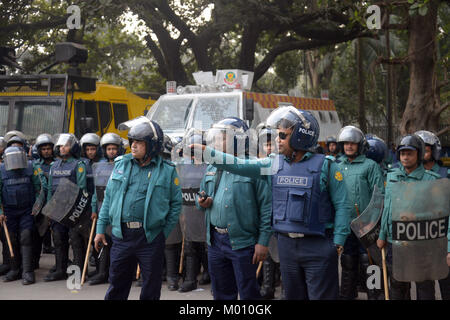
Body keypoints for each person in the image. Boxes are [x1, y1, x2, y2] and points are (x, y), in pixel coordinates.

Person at [192, 107, 352, 300]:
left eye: (282, 136)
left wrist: (337, 244)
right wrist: (209, 153)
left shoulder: (326, 166)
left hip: (318, 245)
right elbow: (239, 165)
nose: (277, 140)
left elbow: (343, 206)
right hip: (286, 246)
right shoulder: (273, 163)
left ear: (300, 137)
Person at [94, 121, 182, 300]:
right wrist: (100, 229)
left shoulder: (168, 171)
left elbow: (175, 206)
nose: (133, 145)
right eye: (132, 141)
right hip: (121, 236)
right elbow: (108, 198)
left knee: (151, 287)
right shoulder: (120, 165)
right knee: (117, 285)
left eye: (139, 142)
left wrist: (161, 233)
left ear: (151, 146)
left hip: (150, 238)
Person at [195, 117, 272, 300]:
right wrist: (203, 202)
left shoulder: (254, 166)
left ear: (239, 139)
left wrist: (263, 241)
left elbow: (267, 207)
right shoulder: (212, 165)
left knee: (248, 294)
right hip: (215, 241)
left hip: (243, 243)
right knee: (221, 293)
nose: (216, 142)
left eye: (222, 137)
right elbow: (201, 194)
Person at [377, 134, 441, 300]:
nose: (405, 157)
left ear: (419, 155)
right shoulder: (392, 176)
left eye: (409, 153)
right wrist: (382, 235)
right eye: (402, 153)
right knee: (397, 288)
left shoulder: (431, 180)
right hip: (395, 242)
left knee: (424, 289)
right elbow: (387, 208)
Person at [336, 126, 385, 300]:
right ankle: (347, 296)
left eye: (353, 143)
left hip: (367, 226)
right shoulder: (337, 166)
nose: (349, 146)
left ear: (360, 145)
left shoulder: (370, 166)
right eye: (346, 143)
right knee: (348, 262)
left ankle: (375, 295)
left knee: (370, 263)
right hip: (346, 226)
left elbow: (379, 196)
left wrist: (373, 223)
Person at [44, 133, 87, 282]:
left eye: (66, 145)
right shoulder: (53, 166)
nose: (62, 148)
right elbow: (50, 189)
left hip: (72, 209)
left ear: (73, 147)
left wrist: (77, 211)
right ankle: (60, 270)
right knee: (58, 239)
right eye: (61, 145)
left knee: (75, 240)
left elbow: (82, 189)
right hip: (57, 209)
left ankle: (78, 272)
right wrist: (49, 210)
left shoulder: (78, 165)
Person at [414, 130, 449, 300]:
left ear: (434, 151)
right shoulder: (410, 176)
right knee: (424, 290)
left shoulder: (445, 174)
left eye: (426, 150)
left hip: (442, 239)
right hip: (421, 240)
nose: (422, 154)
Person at [0, 145, 43, 284]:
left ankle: (28, 271)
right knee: (11, 239)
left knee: (25, 237)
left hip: (26, 210)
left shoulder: (31, 168)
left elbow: (40, 189)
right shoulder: (1, 170)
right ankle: (15, 269)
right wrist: (0, 212)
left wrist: (37, 206)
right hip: (9, 211)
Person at [174, 129, 210, 293]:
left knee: (209, 247)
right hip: (187, 211)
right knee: (189, 246)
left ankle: (212, 276)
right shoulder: (183, 167)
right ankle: (190, 279)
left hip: (205, 212)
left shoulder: (211, 167)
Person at [88, 132, 124, 285]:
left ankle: (117, 274)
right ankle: (102, 272)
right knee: (104, 241)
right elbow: (97, 189)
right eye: (108, 149)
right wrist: (94, 209)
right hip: (103, 209)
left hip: (119, 210)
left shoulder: (124, 165)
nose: (111, 151)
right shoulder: (100, 166)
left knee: (118, 243)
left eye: (114, 148)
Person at [256, 124, 281, 300]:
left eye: (272, 143)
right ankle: (267, 285)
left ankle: (286, 288)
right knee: (268, 254)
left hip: (281, 216)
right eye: (266, 144)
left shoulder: (284, 164)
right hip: (264, 216)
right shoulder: (257, 165)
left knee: (283, 254)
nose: (269, 147)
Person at [31, 133, 55, 271]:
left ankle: (60, 265)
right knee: (37, 236)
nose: (46, 151)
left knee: (58, 237)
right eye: (43, 149)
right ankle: (34, 262)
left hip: (56, 205)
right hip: (40, 206)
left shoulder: (57, 164)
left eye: (48, 148)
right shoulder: (35, 165)